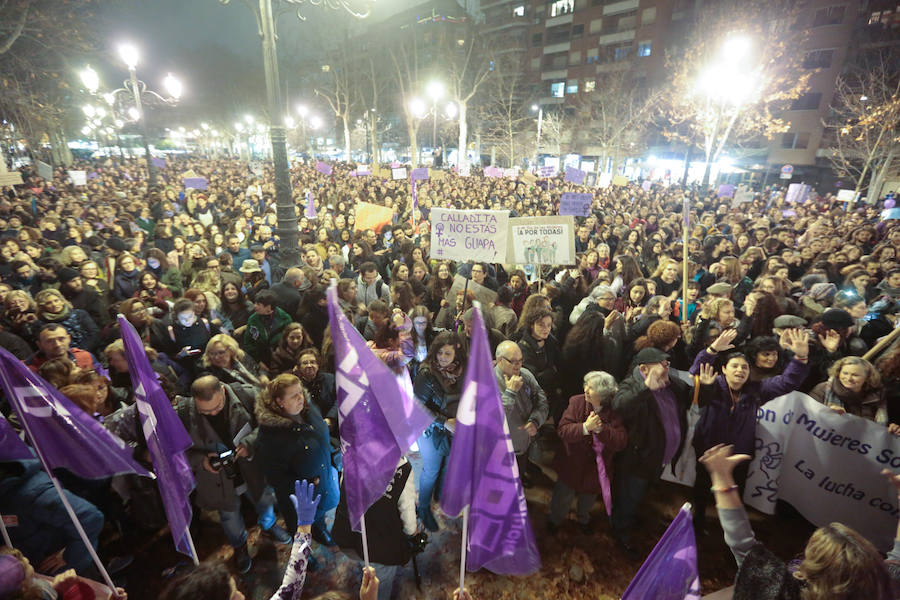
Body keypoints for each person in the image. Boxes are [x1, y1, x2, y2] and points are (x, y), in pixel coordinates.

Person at [700, 443, 895, 600]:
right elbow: (897, 559)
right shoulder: (882, 586)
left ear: (812, 570)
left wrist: (721, 477)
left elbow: (742, 543)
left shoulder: (780, 591)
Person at [690, 328, 811, 535]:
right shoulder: (714, 385)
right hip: (708, 448)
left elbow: (787, 382)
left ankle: (727, 530)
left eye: (744, 367)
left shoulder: (757, 390)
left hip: (739, 452)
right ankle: (697, 523)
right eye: (734, 366)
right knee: (701, 487)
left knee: (733, 491)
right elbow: (696, 371)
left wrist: (800, 358)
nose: (740, 370)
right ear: (725, 370)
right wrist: (711, 351)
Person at [176, 375, 292, 573]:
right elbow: (177, 452)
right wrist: (202, 460)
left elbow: (270, 426)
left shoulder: (248, 394)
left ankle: (270, 525)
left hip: (252, 468)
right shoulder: (184, 412)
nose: (212, 414)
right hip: (217, 478)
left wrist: (249, 443)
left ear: (223, 390)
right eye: (205, 411)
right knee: (229, 517)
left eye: (217, 408)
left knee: (264, 500)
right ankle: (240, 546)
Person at [610, 346, 692, 557]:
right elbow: (620, 406)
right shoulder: (632, 384)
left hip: (656, 460)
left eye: (668, 363)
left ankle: (630, 519)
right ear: (644, 369)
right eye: (662, 364)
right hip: (638, 461)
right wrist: (646, 388)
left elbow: (693, 395)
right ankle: (621, 534)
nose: (667, 367)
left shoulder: (670, 385)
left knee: (639, 495)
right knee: (629, 497)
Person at [255, 374, 339, 546]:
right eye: (294, 396)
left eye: (301, 392)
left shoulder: (308, 410)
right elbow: (275, 478)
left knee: (320, 513)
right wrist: (305, 483)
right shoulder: (270, 435)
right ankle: (304, 553)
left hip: (322, 482)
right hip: (300, 498)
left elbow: (321, 434)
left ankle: (320, 529)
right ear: (280, 401)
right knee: (301, 528)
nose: (301, 398)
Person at [548, 371, 626, 535]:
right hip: (571, 464)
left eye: (590, 388)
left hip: (595, 470)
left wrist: (602, 429)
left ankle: (583, 519)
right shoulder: (576, 402)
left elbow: (620, 442)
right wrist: (585, 428)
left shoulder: (615, 411)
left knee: (588, 499)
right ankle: (555, 520)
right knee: (562, 497)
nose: (585, 389)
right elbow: (563, 431)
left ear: (603, 395)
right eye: (586, 385)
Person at [331, 457, 418, 600]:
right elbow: (408, 520)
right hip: (378, 547)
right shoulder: (403, 468)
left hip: (346, 533)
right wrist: (413, 533)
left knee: (362, 561)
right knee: (379, 583)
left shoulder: (351, 452)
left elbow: (343, 487)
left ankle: (363, 568)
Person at [414, 331, 465, 532]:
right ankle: (424, 507)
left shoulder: (462, 371)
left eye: (448, 354)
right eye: (440, 353)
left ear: (456, 355)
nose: (443, 358)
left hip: (455, 428)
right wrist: (444, 422)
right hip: (430, 429)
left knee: (448, 465)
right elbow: (417, 407)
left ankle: (441, 496)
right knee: (431, 469)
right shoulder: (426, 373)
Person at [494, 340, 549, 488]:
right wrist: (510, 393)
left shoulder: (525, 375)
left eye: (520, 361)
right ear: (500, 360)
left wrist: (536, 421)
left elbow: (542, 400)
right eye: (513, 361)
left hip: (522, 445)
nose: (518, 365)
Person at [810, 356, 898, 433]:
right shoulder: (823, 389)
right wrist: (825, 413)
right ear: (838, 372)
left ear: (867, 378)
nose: (849, 378)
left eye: (855, 375)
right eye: (845, 373)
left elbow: (880, 427)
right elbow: (806, 415)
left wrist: (891, 429)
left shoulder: (878, 396)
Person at [242, 289, 292, 369]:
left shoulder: (285, 319)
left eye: (258, 304)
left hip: (282, 360)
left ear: (268, 307)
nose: (254, 306)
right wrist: (259, 362)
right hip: (260, 360)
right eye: (255, 303)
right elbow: (248, 343)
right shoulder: (253, 319)